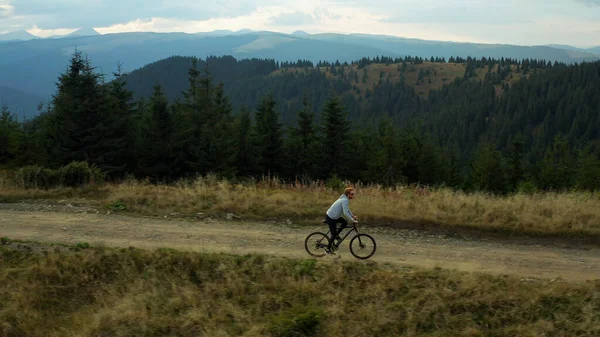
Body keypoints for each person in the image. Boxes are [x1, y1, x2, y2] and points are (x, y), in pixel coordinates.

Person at [324, 187, 358, 254]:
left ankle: (337, 235)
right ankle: (327, 250)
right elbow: (345, 212)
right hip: (331, 218)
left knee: (345, 222)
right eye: (352, 194)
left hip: (335, 217)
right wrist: (352, 220)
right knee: (333, 234)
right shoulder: (345, 200)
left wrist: (352, 216)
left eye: (353, 194)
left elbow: (347, 209)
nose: (353, 195)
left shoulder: (345, 199)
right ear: (348, 194)